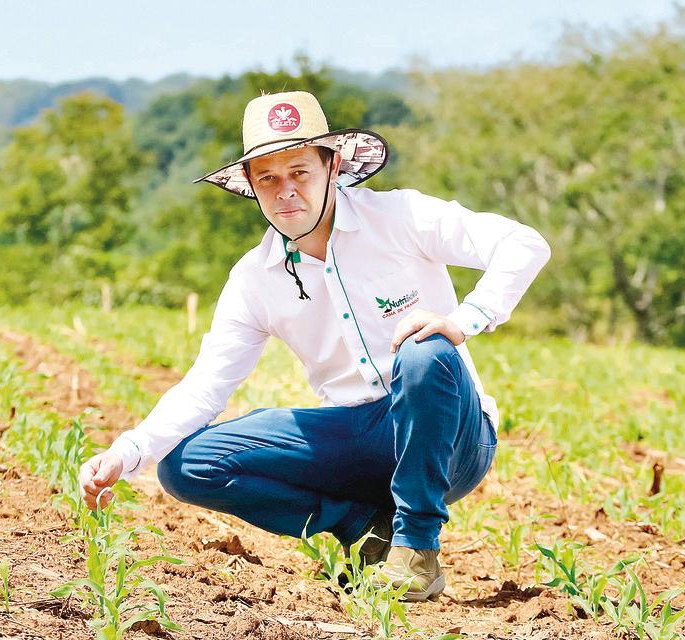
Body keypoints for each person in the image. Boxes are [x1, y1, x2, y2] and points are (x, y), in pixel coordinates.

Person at [79, 91, 549, 601]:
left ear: (333, 165)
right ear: (252, 188)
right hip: (356, 440)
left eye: (300, 172)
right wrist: (127, 452)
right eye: (269, 179)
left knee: (425, 350)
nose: (286, 192)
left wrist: (465, 319)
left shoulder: (401, 217)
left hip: (452, 436)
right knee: (186, 465)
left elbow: (523, 244)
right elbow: (206, 386)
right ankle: (366, 528)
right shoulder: (253, 278)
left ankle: (417, 549)